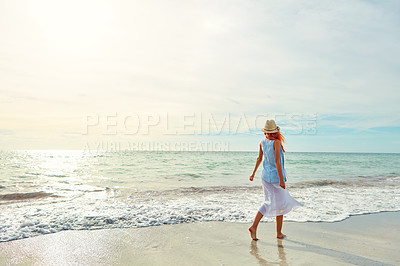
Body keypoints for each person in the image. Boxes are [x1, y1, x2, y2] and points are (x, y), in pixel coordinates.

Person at [248, 119, 303, 240]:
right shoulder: (276, 143)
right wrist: (281, 180)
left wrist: (253, 173)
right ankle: (275, 232)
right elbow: (277, 162)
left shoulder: (262, 142)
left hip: (265, 177)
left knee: (270, 202)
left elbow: (259, 158)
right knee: (281, 204)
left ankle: (259, 228)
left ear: (266, 132)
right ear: (275, 131)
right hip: (275, 178)